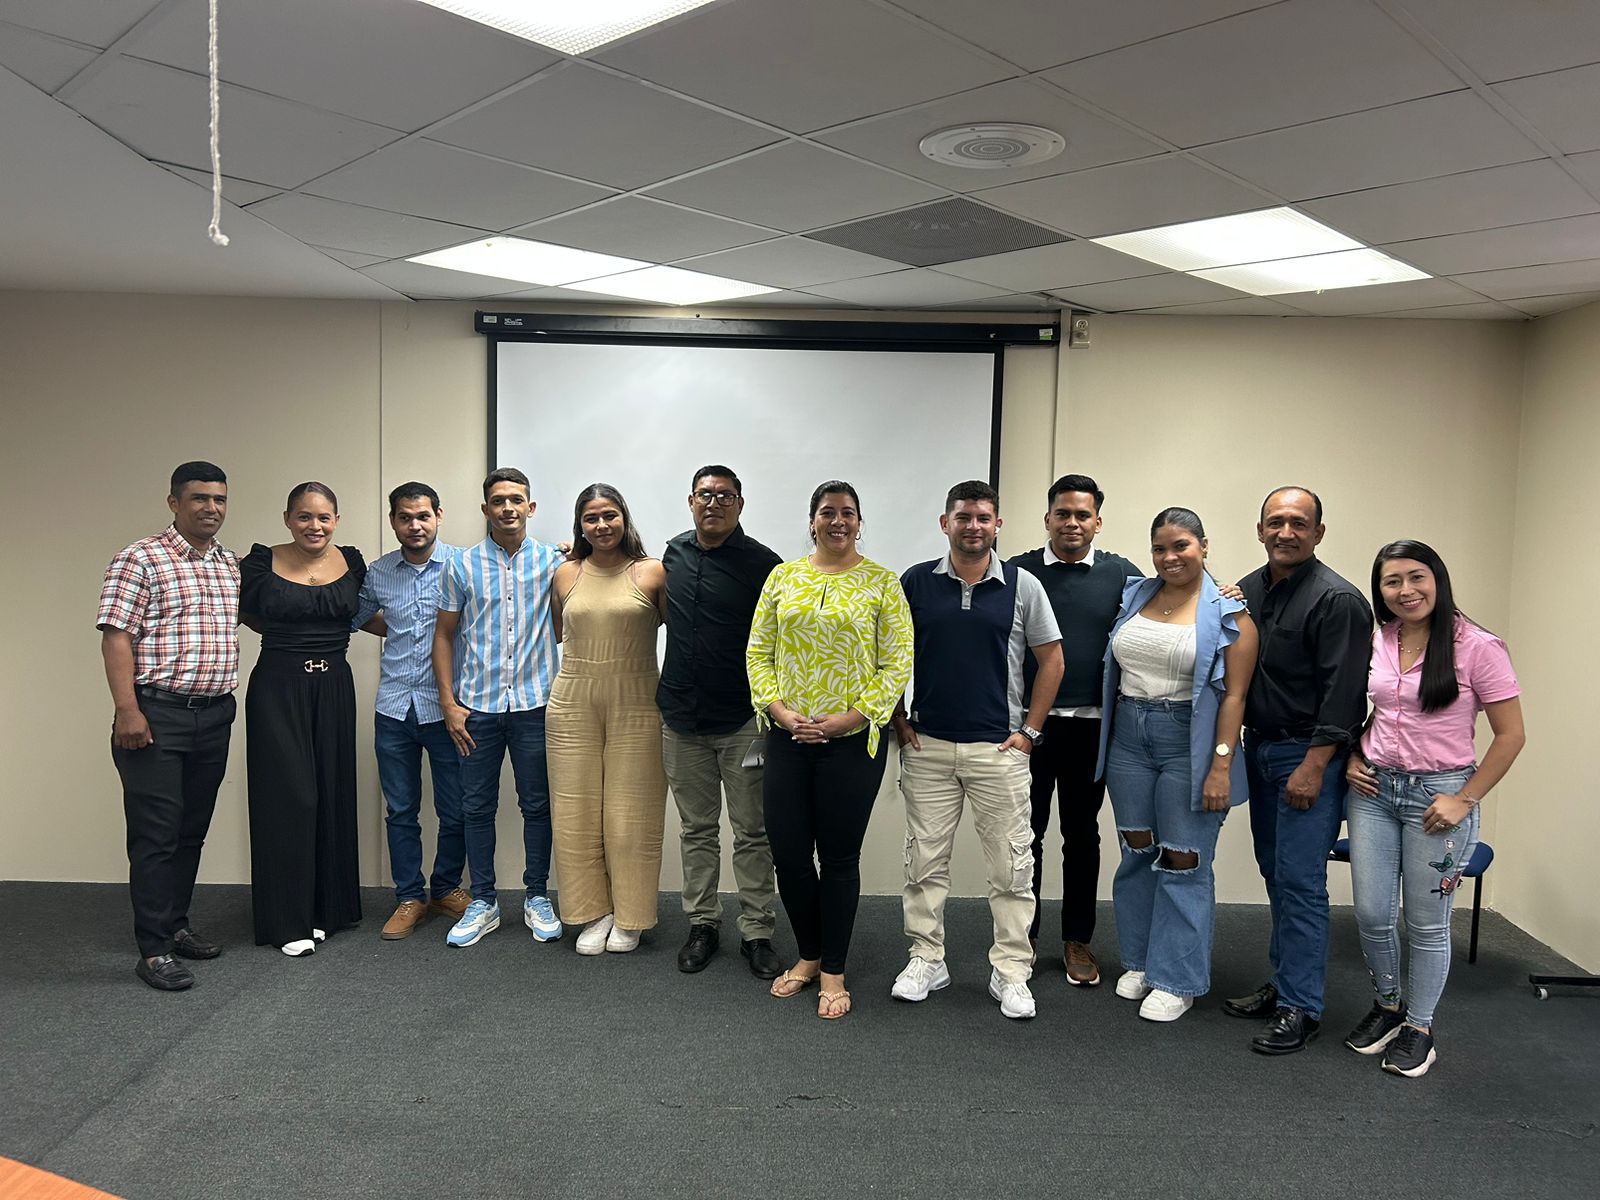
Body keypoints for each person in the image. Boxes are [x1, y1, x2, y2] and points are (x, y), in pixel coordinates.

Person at [1343, 541, 1524, 1077]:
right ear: (1380, 590)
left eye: (1416, 577)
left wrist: (1465, 799)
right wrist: (1354, 754)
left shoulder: (1478, 647)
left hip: (1438, 798)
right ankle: (1388, 1007)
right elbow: (1379, 711)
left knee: (1426, 923)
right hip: (1374, 792)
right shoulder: (1380, 639)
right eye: (1392, 581)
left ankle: (1419, 1027)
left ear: (1437, 579)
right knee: (1372, 915)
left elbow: (1511, 736)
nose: (1406, 590)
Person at [891, 481, 1063, 1020]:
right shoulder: (915, 582)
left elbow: (1052, 660)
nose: (973, 526)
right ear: (945, 523)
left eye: (983, 518)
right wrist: (898, 717)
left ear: (997, 525)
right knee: (923, 864)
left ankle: (1011, 971)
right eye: (963, 517)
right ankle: (927, 959)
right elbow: (888, 655)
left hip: (999, 750)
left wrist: (1030, 732)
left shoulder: (1023, 586)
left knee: (1012, 869)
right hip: (929, 747)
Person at [746, 481, 913, 1019]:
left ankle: (835, 970)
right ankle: (809, 956)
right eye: (826, 512)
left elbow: (897, 663)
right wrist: (780, 712)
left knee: (839, 859)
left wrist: (852, 717)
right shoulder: (782, 578)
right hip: (787, 740)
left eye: (847, 512)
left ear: (859, 522)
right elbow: (758, 652)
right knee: (790, 856)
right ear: (812, 520)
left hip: (852, 745)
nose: (837, 520)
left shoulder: (883, 583)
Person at [1228, 486, 1373, 1054]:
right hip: (1260, 750)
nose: (1285, 532)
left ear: (1318, 532)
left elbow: (1345, 695)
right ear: (1260, 529)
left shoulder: (1338, 600)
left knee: (1302, 882)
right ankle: (1284, 981)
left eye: (1298, 523)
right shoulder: (1250, 589)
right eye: (1275, 522)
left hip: (1307, 756)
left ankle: (1301, 1008)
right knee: (1274, 872)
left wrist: (1314, 766)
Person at [1097, 508, 1257, 1022]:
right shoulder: (1135, 594)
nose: (1170, 557)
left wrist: (1220, 767)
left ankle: (1178, 979)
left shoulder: (1230, 613)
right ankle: (1143, 960)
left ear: (1204, 546)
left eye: (1181, 546)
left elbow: (1235, 698)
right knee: (1138, 850)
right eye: (1160, 548)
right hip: (1128, 739)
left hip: (1189, 742)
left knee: (1183, 860)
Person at [98, 461, 240, 990]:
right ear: (174, 503)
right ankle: (154, 949)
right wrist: (127, 710)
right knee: (156, 834)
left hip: (215, 713)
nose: (211, 508)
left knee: (190, 831)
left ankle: (176, 925)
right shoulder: (140, 558)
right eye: (199, 498)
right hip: (155, 714)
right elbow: (116, 636)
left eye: (219, 499)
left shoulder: (230, 564)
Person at [1008, 473, 1143, 988]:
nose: (1072, 523)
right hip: (1030, 728)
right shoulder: (1017, 572)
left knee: (1082, 836)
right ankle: (1021, 939)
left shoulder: (1122, 575)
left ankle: (1077, 939)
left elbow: (1177, 594)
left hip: (1092, 729)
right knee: (1026, 836)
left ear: (1097, 523)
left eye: (1082, 515)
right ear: (1047, 519)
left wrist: (1223, 590)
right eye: (1062, 513)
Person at [659, 466, 784, 978]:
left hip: (743, 722)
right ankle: (703, 924)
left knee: (753, 831)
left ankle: (757, 931)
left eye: (725, 496)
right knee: (696, 830)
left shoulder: (765, 565)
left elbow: (780, 643)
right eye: (705, 495)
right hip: (680, 720)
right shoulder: (672, 553)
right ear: (691, 501)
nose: (714, 503)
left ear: (740, 504)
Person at [432, 467, 564, 948]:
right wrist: (448, 703)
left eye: (516, 499)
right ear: (485, 509)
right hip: (477, 709)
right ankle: (484, 901)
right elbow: (444, 635)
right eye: (498, 500)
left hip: (535, 705)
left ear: (531, 507)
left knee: (537, 805)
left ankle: (536, 896)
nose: (508, 507)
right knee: (475, 807)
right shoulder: (461, 565)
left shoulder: (555, 561)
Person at [239, 481, 366, 955]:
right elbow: (247, 614)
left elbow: (367, 615)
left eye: (324, 517)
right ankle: (287, 921)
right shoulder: (259, 563)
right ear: (288, 519)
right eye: (304, 516)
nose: (315, 525)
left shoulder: (353, 562)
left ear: (337, 520)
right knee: (288, 798)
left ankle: (325, 911)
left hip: (334, 685)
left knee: (331, 791)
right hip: (279, 685)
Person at [547, 484, 670, 955]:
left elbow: (679, 633)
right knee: (575, 815)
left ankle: (631, 915)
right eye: (591, 518)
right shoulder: (566, 573)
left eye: (609, 516)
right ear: (580, 525)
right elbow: (559, 632)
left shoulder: (651, 571)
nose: (601, 525)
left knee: (631, 816)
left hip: (638, 700)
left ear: (624, 519)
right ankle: (592, 913)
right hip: (572, 700)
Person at [352, 482, 472, 940]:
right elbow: (359, 615)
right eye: (405, 517)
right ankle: (409, 896)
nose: (415, 525)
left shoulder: (463, 564)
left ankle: (445, 888)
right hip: (394, 708)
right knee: (401, 809)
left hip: (449, 708)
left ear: (438, 516)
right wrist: (400, 631)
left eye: (423, 516)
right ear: (393, 522)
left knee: (455, 807)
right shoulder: (380, 572)